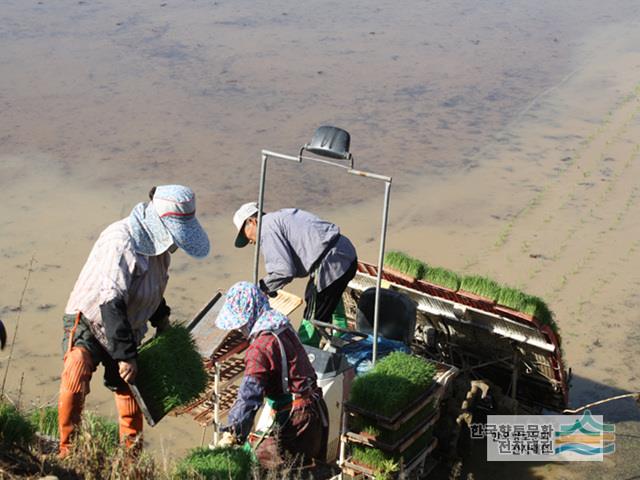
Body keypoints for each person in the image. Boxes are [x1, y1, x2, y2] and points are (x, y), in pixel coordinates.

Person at [58, 184, 210, 456]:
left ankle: (131, 462)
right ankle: (68, 451)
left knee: (131, 391)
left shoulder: (160, 252)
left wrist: (162, 320)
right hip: (92, 318)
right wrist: (125, 356)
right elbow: (110, 300)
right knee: (77, 367)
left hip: (127, 324)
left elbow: (149, 290)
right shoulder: (122, 240)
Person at [215, 281, 329, 468]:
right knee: (304, 470)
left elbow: (249, 395)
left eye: (240, 323)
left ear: (248, 316)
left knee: (264, 470)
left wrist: (233, 432)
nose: (239, 329)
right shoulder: (279, 322)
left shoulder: (260, 348)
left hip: (297, 420)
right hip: (313, 409)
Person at [232, 202, 357, 346]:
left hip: (330, 263)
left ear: (252, 221)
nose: (250, 242)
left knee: (313, 313)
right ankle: (341, 336)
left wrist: (262, 288)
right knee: (329, 297)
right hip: (345, 253)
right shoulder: (280, 216)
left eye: (246, 236)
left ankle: (305, 353)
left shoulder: (266, 228)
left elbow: (283, 270)